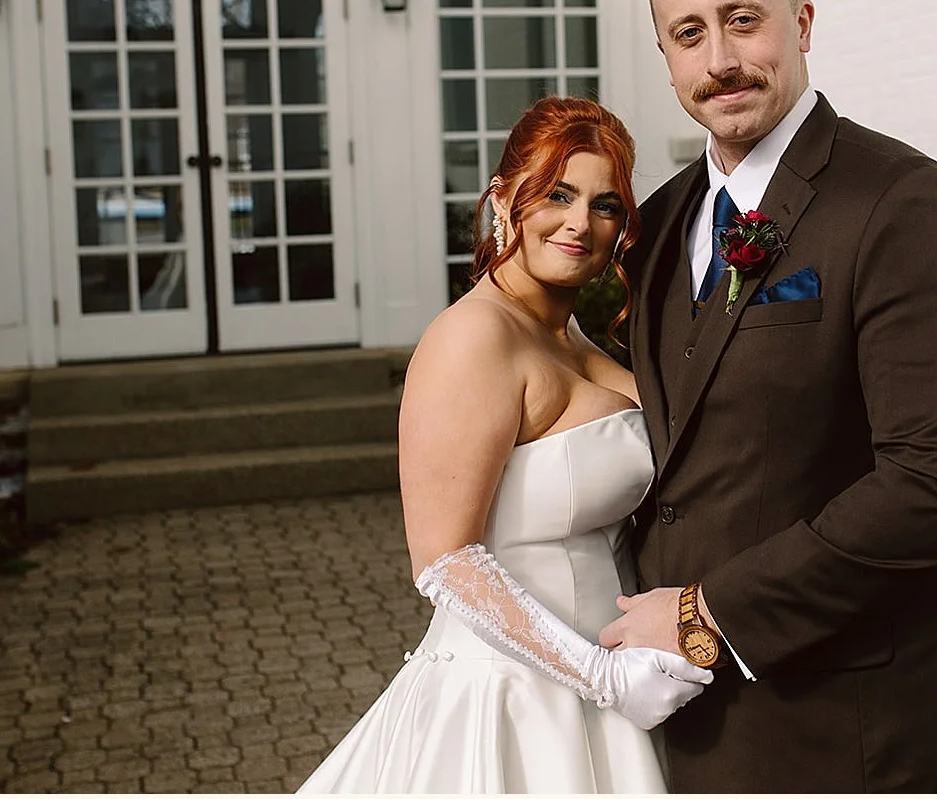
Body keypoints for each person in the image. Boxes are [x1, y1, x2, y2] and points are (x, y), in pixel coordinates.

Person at [597, 0, 937, 792]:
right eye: (689, 33)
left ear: (801, 23)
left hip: (856, 731)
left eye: (743, 20)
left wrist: (710, 613)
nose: (720, 59)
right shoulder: (659, 224)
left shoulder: (909, 208)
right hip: (685, 719)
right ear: (666, 55)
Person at [300, 96, 713, 793]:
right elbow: (443, 562)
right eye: (557, 194)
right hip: (513, 697)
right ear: (502, 197)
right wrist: (601, 677)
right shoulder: (472, 337)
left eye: (605, 205)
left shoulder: (570, 334)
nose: (580, 223)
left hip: (615, 684)